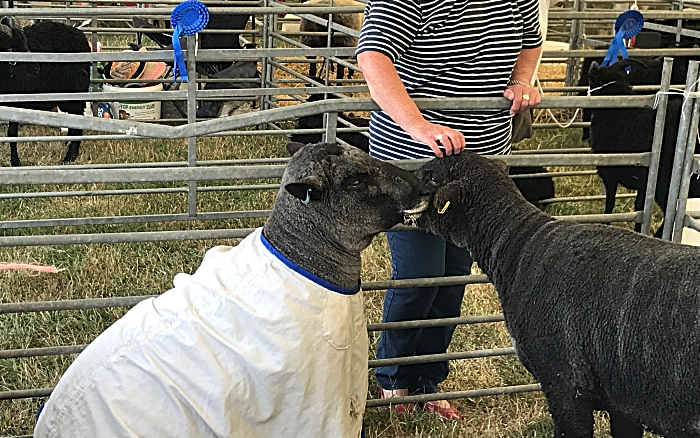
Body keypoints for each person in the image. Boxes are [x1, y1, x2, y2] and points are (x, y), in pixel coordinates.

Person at [355, 0, 543, 420]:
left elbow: (530, 41)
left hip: (480, 169)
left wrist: (522, 81)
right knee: (421, 274)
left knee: (453, 277)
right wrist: (418, 125)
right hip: (415, 164)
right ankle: (391, 377)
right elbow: (373, 57)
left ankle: (427, 378)